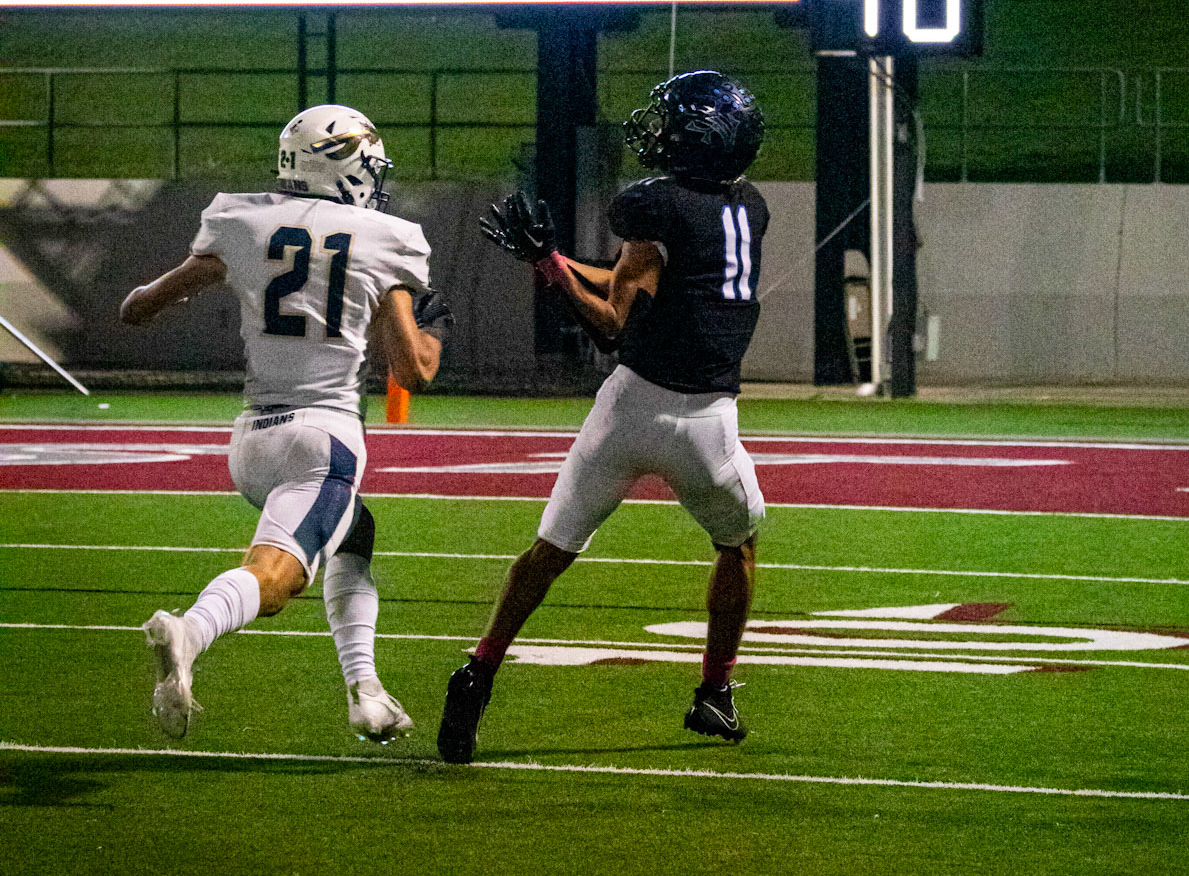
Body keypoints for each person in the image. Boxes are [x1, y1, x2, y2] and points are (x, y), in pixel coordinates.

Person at [438, 70, 769, 764]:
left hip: (627, 410)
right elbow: (643, 276)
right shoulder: (749, 207)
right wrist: (557, 259)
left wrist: (548, 268)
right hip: (707, 425)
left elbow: (612, 322)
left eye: (674, 123)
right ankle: (714, 690)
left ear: (701, 137)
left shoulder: (656, 206)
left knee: (549, 552)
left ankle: (480, 669)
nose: (660, 133)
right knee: (736, 546)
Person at [120, 104, 446, 741]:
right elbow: (413, 371)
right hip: (322, 437)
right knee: (275, 582)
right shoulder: (388, 237)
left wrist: (171, 291)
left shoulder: (241, 219)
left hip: (252, 442)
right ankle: (191, 631)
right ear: (349, 167)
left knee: (354, 532)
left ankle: (367, 692)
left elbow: (139, 308)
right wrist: (429, 325)